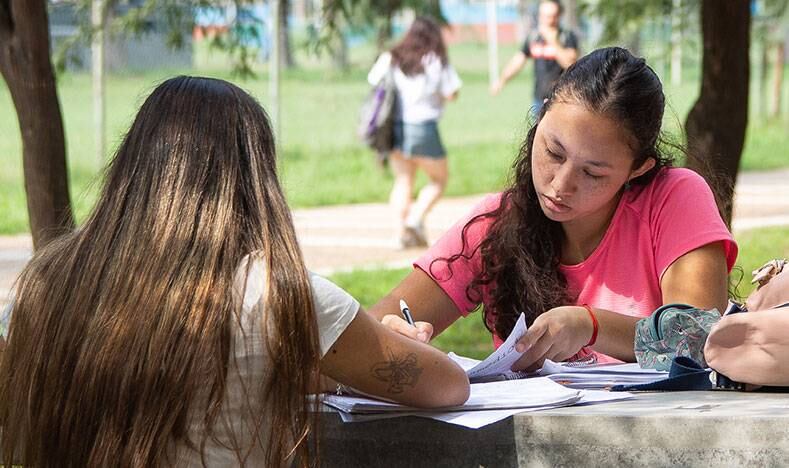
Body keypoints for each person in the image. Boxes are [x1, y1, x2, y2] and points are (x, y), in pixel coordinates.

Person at [0, 76, 469, 466]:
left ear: (132, 168)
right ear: (255, 180)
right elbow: (448, 385)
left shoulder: (44, 283)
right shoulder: (280, 294)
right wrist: (386, 348)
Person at [370, 47, 738, 372]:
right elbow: (365, 331)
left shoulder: (674, 197)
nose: (560, 185)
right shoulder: (495, 224)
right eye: (553, 152)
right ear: (541, 117)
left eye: (593, 172)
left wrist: (590, 326)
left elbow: (700, 338)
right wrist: (392, 334)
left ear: (638, 169)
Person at [367, 16, 462, 249]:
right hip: (423, 128)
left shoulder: (393, 56)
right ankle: (415, 218)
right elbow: (452, 92)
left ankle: (400, 235)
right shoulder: (435, 59)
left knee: (403, 180)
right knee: (439, 180)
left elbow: (373, 79)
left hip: (395, 128)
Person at [490, 0, 579, 114]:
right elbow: (517, 62)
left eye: (552, 16)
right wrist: (502, 81)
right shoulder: (534, 37)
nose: (548, 20)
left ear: (559, 16)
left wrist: (552, 40)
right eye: (544, 16)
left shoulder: (567, 37)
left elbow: (570, 63)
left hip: (562, 99)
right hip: (539, 99)